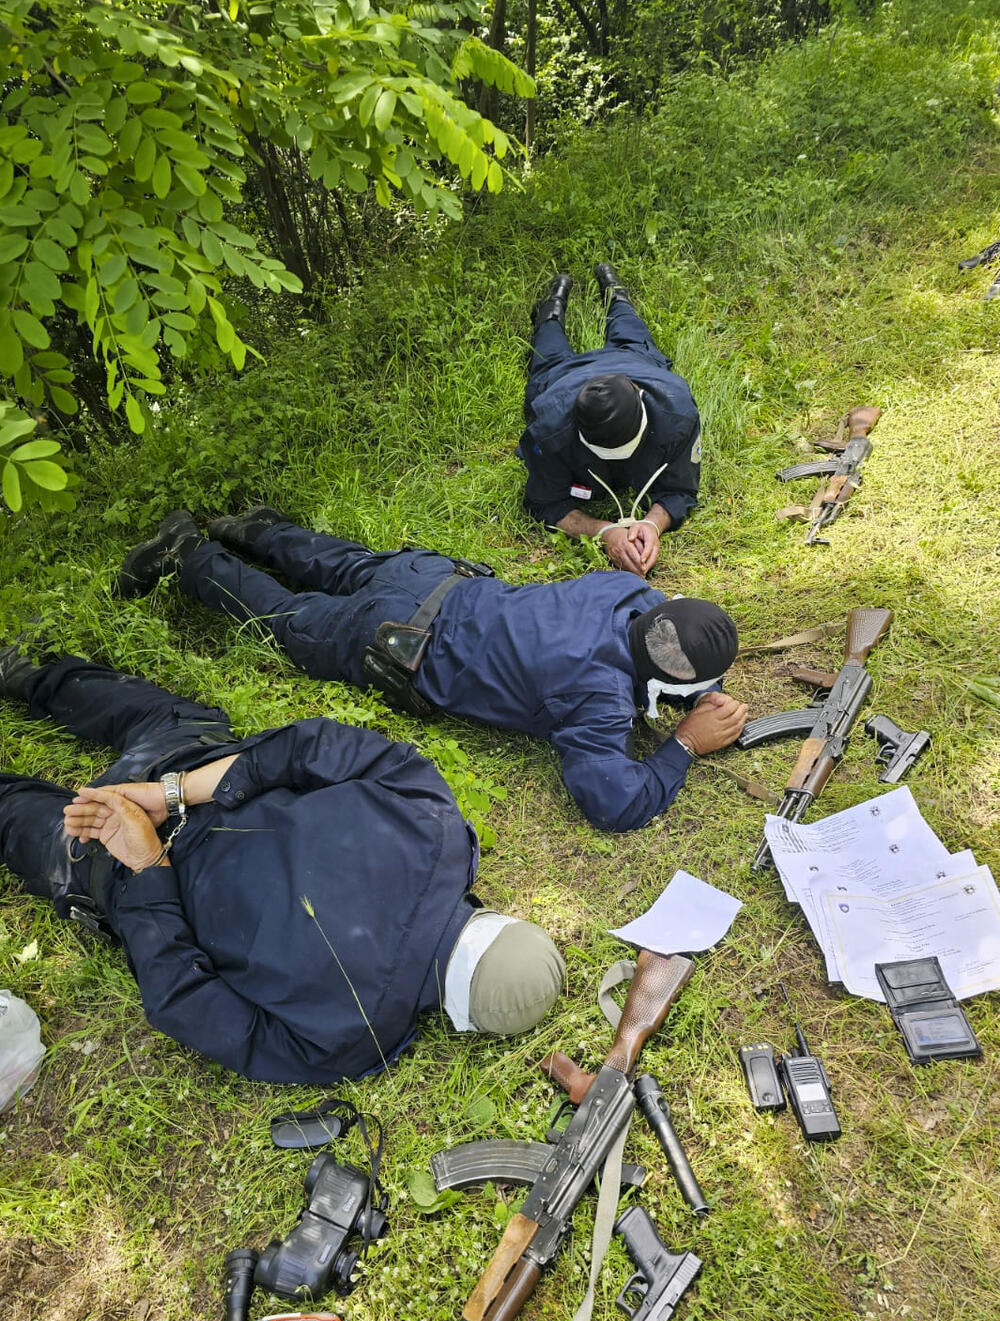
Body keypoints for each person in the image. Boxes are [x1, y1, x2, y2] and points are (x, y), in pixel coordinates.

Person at [0, 649, 565, 1083]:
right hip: (109, 861)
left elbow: (315, 745)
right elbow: (183, 1000)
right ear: (463, 1018)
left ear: (500, 920)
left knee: (133, 706)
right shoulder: (350, 1038)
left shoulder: (437, 823)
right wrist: (150, 862)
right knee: (12, 817)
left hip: (181, 764)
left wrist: (177, 790)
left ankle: (23, 671)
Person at [117, 510, 748, 834]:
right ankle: (188, 554)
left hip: (434, 580)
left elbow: (671, 639)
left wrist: (701, 688)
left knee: (347, 565)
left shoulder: (626, 593)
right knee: (288, 618)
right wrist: (685, 743)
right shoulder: (599, 699)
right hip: (396, 642)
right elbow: (613, 803)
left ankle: (253, 527)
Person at [518, 263, 702, 578]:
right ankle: (551, 308)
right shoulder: (549, 429)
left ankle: (615, 294)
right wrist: (602, 532)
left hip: (633, 363)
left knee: (631, 331)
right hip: (564, 379)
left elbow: (681, 489)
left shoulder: (678, 413)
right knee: (548, 351)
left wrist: (652, 524)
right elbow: (543, 501)